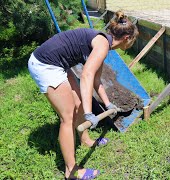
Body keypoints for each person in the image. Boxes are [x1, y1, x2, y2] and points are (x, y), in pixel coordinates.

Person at [28, 11, 138, 179]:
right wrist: (89, 113)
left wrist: (108, 104)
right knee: (68, 116)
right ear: (126, 38)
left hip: (59, 63)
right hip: (45, 64)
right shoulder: (102, 45)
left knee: (78, 103)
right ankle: (71, 171)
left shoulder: (104, 44)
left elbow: (96, 80)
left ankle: (85, 140)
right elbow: (86, 75)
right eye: (133, 40)